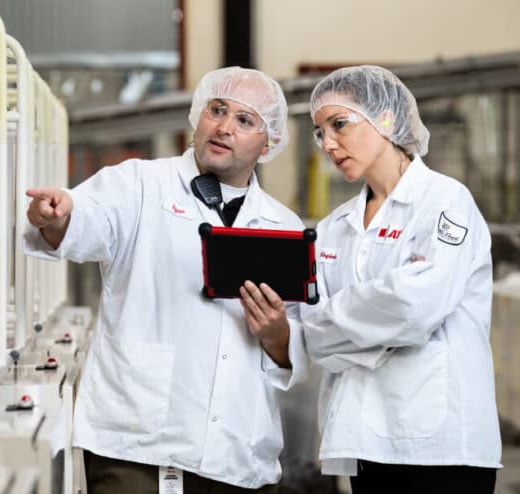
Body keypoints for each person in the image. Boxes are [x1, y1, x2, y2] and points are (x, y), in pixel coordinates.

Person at [25, 67, 308, 494]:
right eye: (217, 110)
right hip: (137, 447)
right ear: (199, 115)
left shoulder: (283, 227)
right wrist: (58, 217)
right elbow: (87, 220)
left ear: (267, 143)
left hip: (237, 455)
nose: (225, 127)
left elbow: (298, 345)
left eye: (244, 120)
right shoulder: (139, 184)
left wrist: (276, 334)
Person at [299, 65, 501, 493]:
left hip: (445, 446)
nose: (328, 144)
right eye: (320, 133)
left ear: (386, 118)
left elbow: (414, 308)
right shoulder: (335, 227)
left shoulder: (446, 202)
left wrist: (333, 326)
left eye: (339, 125)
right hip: (368, 440)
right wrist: (356, 321)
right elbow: (309, 328)